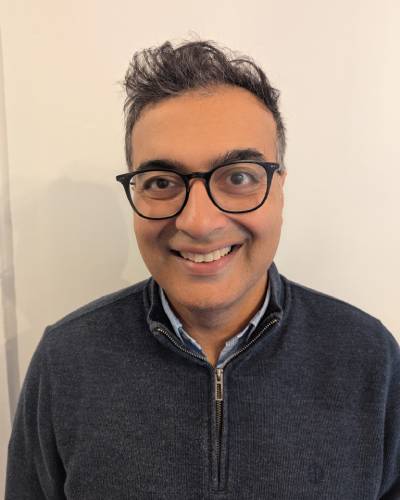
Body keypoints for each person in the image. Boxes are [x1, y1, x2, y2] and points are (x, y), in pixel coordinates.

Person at [6, 40, 400, 499]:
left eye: (238, 177)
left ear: (280, 190)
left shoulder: (370, 360)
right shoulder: (66, 361)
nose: (198, 221)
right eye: (161, 182)